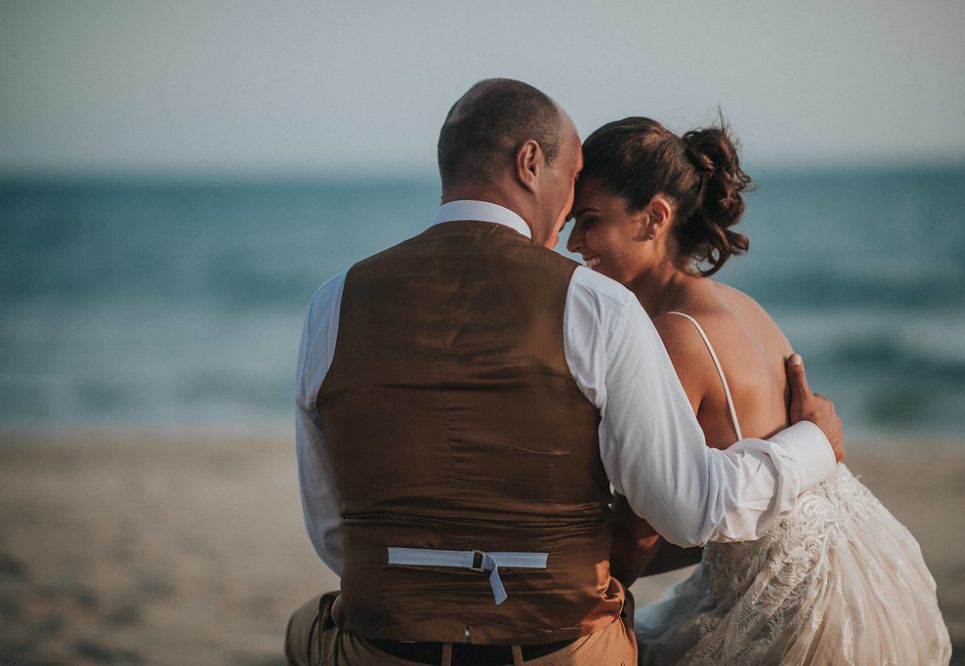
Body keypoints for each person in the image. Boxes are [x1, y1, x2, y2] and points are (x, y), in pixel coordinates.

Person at [286, 79, 843, 666]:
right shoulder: (596, 305)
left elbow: (332, 531)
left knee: (305, 628)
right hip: (559, 651)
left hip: (385, 648)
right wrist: (812, 444)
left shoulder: (334, 302)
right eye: (573, 175)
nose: (571, 222)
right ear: (530, 162)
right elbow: (688, 508)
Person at [567, 115, 951, 665]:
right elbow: (710, 513)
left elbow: (643, 527)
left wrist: (588, 597)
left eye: (589, 220)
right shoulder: (742, 306)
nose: (573, 242)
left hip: (795, 611)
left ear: (654, 217)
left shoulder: (673, 335)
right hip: (863, 567)